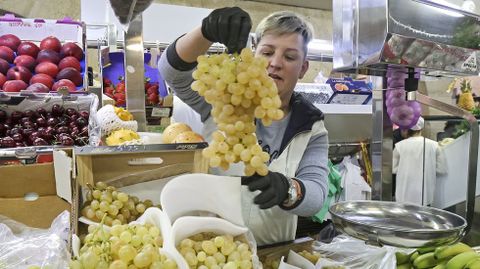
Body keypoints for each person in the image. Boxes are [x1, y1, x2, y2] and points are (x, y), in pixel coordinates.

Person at [158, 7, 329, 246]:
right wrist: (205, 30)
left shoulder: (312, 127)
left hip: (272, 253)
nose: (275, 63)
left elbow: (317, 196)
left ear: (303, 68)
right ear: (253, 54)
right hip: (212, 250)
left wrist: (287, 188)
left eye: (290, 57)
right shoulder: (223, 99)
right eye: (267, 52)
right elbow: (171, 73)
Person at [392, 117, 447, 206]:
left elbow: (393, 169)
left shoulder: (399, 146)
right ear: (421, 128)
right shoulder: (434, 145)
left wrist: (406, 168)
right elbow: (442, 169)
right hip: (425, 196)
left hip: (404, 195)